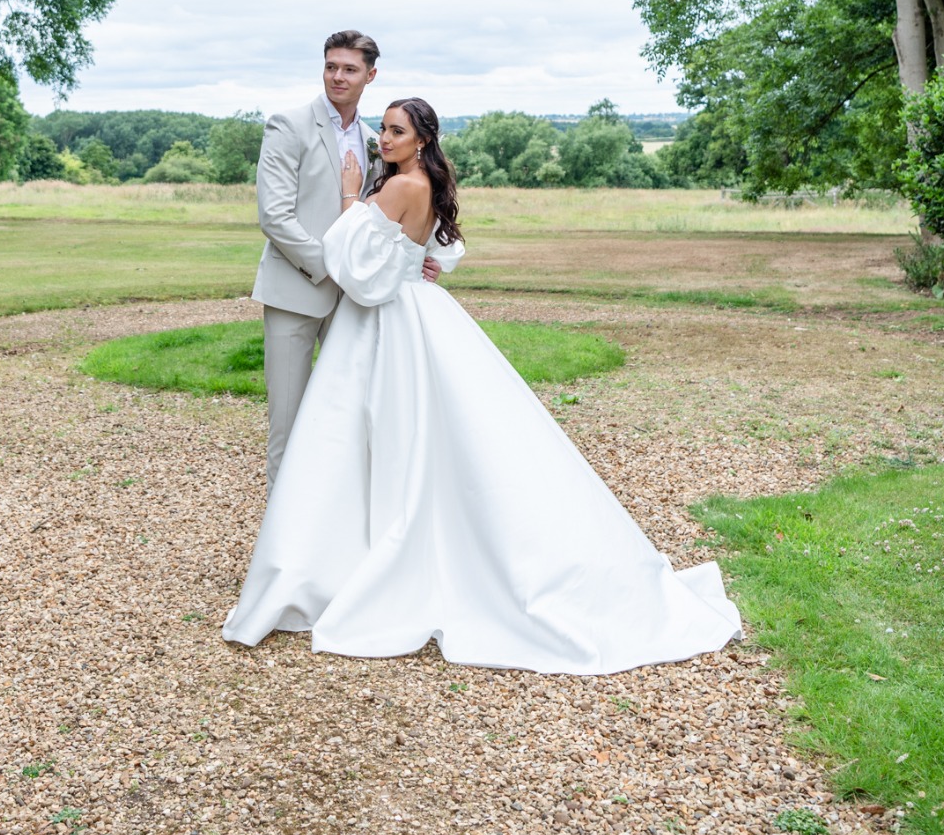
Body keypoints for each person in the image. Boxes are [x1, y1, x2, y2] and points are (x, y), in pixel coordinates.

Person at [224, 96, 741, 675]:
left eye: (396, 133)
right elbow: (442, 249)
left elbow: (357, 274)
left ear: (421, 139)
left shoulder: (396, 188)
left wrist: (351, 196)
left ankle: (349, 560)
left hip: (382, 322)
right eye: (384, 132)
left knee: (361, 439)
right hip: (422, 309)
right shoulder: (427, 184)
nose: (384, 142)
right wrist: (418, 259)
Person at [252, 31, 442, 494]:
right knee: (290, 425)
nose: (338, 76)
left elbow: (392, 218)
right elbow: (274, 217)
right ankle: (283, 554)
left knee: (349, 422)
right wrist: (335, 266)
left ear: (370, 76)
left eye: (350, 69)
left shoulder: (378, 139)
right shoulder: (289, 125)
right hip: (296, 293)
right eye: (331, 66)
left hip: (360, 304)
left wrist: (416, 259)